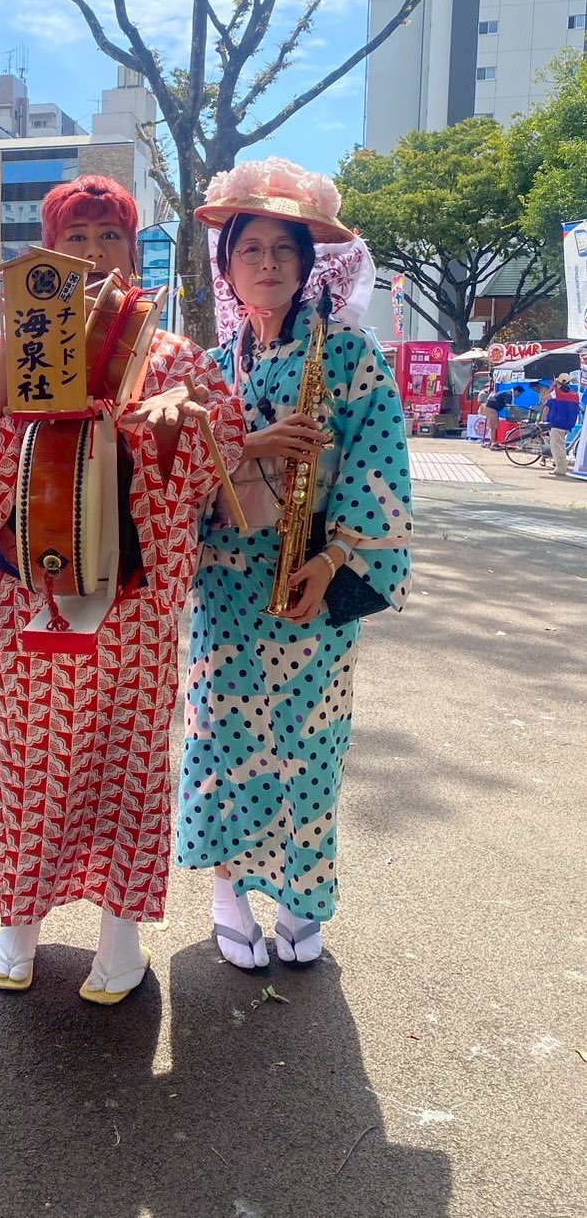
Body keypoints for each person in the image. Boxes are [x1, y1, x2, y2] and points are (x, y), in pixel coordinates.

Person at [0, 175, 245, 1004]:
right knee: (26, 759)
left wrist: (176, 424)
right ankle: (19, 920)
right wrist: (15, 346)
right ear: (49, 254)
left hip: (132, 597)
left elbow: (222, 449)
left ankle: (121, 932)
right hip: (26, 587)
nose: (96, 253)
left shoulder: (172, 353)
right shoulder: (4, 339)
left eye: (111, 237)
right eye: (77, 238)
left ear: (133, 253)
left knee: (129, 762)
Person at [177, 158, 412, 970]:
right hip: (226, 590)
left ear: (309, 262)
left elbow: (381, 463)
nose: (267, 261)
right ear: (228, 264)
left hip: (310, 581)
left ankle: (303, 896)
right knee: (223, 737)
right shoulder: (217, 365)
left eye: (284, 247)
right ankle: (229, 890)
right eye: (250, 248)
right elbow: (181, 469)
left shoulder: (348, 352)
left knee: (311, 745)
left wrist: (338, 558)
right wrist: (247, 443)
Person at [543, 374, 580, 478]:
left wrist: (551, 386)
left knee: (558, 447)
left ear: (558, 383)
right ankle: (559, 467)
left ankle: (561, 470)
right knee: (560, 446)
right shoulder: (575, 395)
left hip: (557, 424)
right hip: (568, 424)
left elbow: (544, 399)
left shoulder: (556, 393)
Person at [482, 383, 528, 449]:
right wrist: (518, 414)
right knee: (494, 427)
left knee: (495, 426)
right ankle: (493, 444)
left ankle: (492, 442)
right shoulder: (508, 395)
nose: (518, 396)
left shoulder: (508, 393)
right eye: (519, 394)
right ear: (516, 391)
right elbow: (509, 407)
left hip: (493, 409)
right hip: (491, 409)